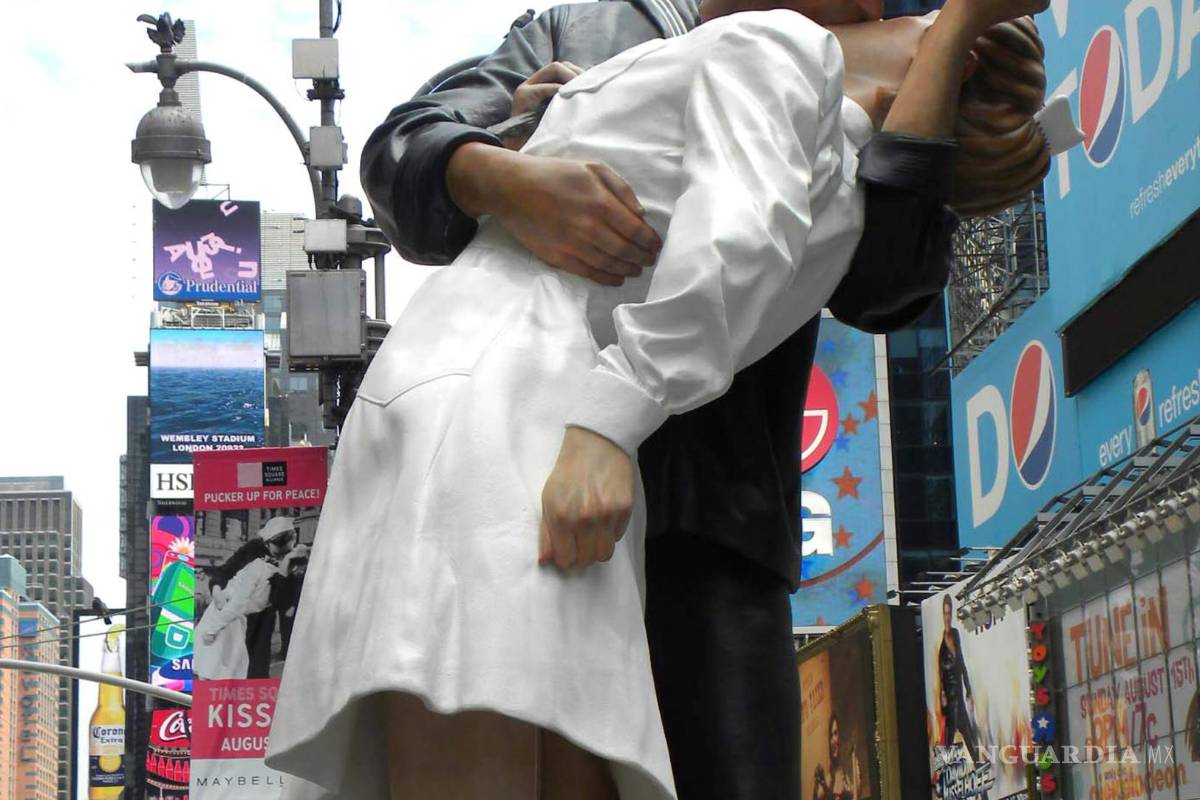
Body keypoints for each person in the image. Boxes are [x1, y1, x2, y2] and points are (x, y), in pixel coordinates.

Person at [267, 3, 1057, 798]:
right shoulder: (608, 35)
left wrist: (613, 416)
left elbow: (817, 259)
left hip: (635, 477)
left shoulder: (802, 95)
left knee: (515, 740)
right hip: (522, 413)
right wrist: (512, 169)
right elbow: (408, 150)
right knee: (490, 729)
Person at [194, 516, 297, 680]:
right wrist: (217, 591)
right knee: (219, 669)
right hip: (230, 616)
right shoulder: (253, 555)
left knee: (253, 672)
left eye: (285, 552)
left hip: (260, 624)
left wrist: (285, 572)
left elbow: (282, 601)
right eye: (276, 551)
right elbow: (225, 573)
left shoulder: (292, 561)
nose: (280, 557)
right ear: (266, 543)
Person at [939, 593, 981, 760]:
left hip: (957, 694)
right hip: (949, 696)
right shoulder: (942, 641)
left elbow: (961, 662)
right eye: (945, 613)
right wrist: (942, 693)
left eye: (949, 613)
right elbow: (940, 670)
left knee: (966, 731)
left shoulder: (954, 634)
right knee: (951, 733)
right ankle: (947, 770)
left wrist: (968, 689)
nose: (947, 617)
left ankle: (977, 763)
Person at [813, 714, 862, 800]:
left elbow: (856, 791)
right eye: (831, 736)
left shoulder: (847, 773)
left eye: (836, 733)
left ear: (840, 736)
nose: (833, 740)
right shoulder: (828, 779)